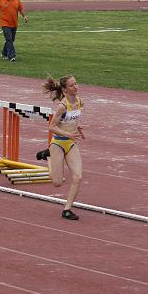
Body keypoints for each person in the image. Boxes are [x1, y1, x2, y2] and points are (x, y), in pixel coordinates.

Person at [42, 75, 85, 220]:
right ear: (65, 89)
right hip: (58, 144)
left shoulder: (79, 101)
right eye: (72, 85)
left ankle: (67, 209)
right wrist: (68, 133)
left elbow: (74, 118)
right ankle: (47, 155)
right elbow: (52, 127)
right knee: (57, 183)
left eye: (76, 84)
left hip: (71, 143)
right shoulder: (62, 106)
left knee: (78, 177)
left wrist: (78, 128)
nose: (76, 87)